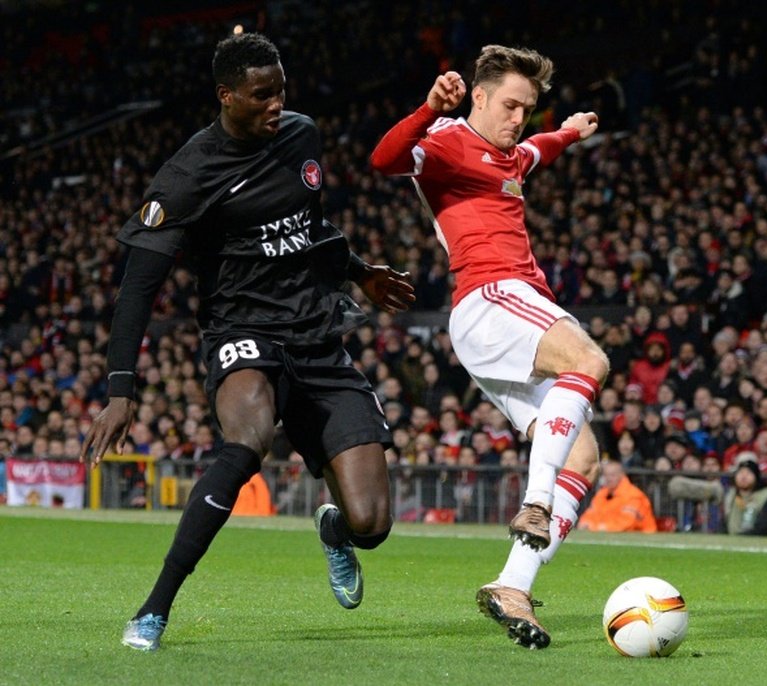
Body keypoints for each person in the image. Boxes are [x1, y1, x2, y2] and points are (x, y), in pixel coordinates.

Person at [78, 33, 415, 652]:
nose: (275, 105)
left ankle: (335, 529)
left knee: (373, 525)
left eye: (281, 90)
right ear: (225, 96)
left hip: (317, 335)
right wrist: (121, 389)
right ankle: (154, 609)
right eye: (261, 95)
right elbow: (137, 289)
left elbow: (309, 229)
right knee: (248, 440)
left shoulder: (300, 135)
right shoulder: (186, 176)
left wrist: (360, 270)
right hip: (243, 331)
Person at [370, 44, 608, 649]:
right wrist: (427, 109)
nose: (518, 118)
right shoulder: (448, 140)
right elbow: (384, 159)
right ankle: (533, 500)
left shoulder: (510, 152)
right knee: (590, 360)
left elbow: (536, 149)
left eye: (527, 108)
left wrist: (569, 132)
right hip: (491, 297)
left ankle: (512, 584)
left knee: (582, 459)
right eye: (510, 105)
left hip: (511, 313)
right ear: (477, 96)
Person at [577, 460, 657, 533]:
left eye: (612, 475)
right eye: (606, 475)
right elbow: (590, 513)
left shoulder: (633, 495)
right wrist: (585, 523)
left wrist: (596, 527)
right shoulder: (602, 494)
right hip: (608, 534)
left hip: (641, 537)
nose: (608, 478)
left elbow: (626, 523)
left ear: (621, 475)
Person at [723, 459, 767, 536]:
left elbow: (765, 526)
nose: (743, 476)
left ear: (756, 476)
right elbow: (725, 522)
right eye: (740, 472)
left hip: (760, 540)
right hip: (732, 539)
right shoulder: (731, 494)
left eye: (748, 473)